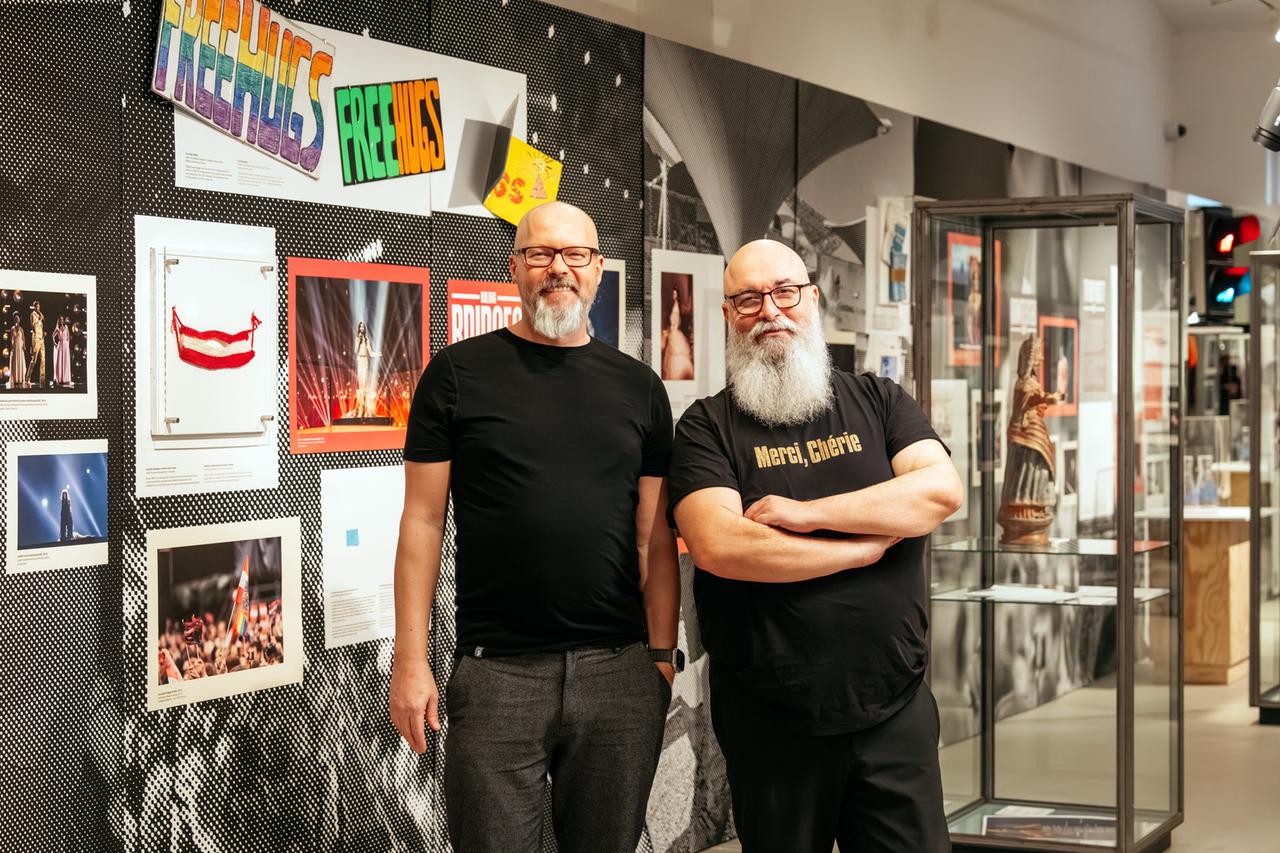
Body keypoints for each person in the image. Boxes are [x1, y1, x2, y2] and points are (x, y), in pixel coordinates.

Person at [390, 201, 680, 853]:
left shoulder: (640, 389)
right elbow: (422, 521)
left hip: (619, 672)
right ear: (514, 267)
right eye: (540, 254)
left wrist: (660, 658)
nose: (559, 268)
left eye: (575, 254)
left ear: (597, 270)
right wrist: (410, 659)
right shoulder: (455, 377)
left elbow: (654, 538)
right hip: (496, 676)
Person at [669, 240, 963, 853]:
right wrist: (858, 548)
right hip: (771, 719)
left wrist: (806, 516)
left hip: (895, 709)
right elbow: (721, 544)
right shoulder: (706, 426)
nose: (769, 310)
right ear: (728, 315)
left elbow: (937, 493)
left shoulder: (880, 401)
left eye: (784, 292)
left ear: (812, 299)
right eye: (748, 299)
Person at [353, 320, 381, 417]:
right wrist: (359, 340)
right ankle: (360, 408)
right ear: (359, 329)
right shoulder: (357, 339)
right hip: (359, 360)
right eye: (360, 327)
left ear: (364, 329)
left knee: (364, 384)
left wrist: (377, 354)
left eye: (363, 327)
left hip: (365, 361)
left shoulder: (367, 339)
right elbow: (355, 350)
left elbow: (371, 352)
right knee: (361, 384)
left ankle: (364, 409)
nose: (362, 328)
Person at [27, 300, 45, 388]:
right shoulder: (33, 314)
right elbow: (33, 326)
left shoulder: (39, 314)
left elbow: (41, 326)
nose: (39, 308)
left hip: (41, 339)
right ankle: (28, 377)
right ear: (34, 307)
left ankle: (42, 380)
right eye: (37, 306)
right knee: (34, 359)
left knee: (43, 360)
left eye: (39, 306)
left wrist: (43, 332)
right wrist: (39, 320)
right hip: (36, 338)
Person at [7, 312, 26, 389]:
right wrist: (12, 346)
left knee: (20, 361)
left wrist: (24, 346)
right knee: (15, 362)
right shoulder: (12, 328)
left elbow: (23, 338)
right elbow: (11, 338)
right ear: (14, 320)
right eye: (15, 318)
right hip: (15, 347)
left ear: (19, 319)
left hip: (20, 347)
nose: (17, 319)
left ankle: (20, 379)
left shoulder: (21, 329)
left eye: (17, 318)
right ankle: (15, 378)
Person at [52, 315, 71, 388]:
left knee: (65, 361)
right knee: (60, 361)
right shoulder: (57, 328)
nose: (61, 321)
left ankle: (65, 378)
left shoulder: (66, 327)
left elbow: (68, 337)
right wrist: (54, 343)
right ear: (59, 321)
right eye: (60, 320)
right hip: (60, 345)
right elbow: (52, 336)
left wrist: (67, 344)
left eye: (62, 319)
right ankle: (60, 378)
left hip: (65, 345)